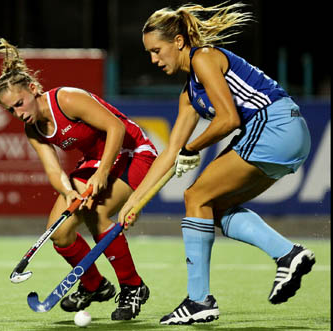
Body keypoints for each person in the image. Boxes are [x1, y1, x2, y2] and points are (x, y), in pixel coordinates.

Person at [118, 3, 316, 325]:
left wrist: (192, 148)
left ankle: (199, 302)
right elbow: (170, 152)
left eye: (157, 50)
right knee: (212, 207)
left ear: (179, 42)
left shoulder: (204, 58)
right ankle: (289, 255)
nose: (154, 60)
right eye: (149, 54)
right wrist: (134, 202)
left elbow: (227, 119)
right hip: (290, 133)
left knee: (195, 196)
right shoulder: (189, 94)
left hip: (273, 126)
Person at [0, 37, 158, 320]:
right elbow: (54, 171)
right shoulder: (33, 130)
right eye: (11, 110)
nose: (18, 113)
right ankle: (95, 285)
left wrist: (102, 173)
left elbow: (116, 128)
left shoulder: (66, 99)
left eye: (20, 104)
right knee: (60, 232)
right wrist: (68, 192)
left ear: (33, 90)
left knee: (98, 213)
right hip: (95, 162)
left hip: (133, 151)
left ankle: (133, 287)